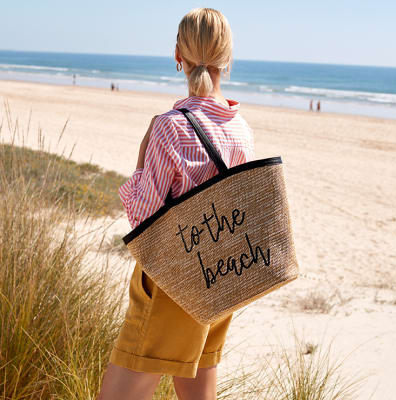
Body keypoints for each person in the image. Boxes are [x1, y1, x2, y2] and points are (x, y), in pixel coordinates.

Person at [97, 8, 255, 400]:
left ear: (177, 56)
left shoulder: (170, 126)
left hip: (171, 281)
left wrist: (140, 157)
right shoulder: (241, 130)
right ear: (228, 58)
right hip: (219, 279)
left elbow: (143, 219)